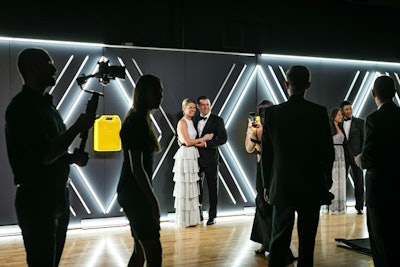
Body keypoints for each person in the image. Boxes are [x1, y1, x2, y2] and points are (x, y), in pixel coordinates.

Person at [4, 48, 95, 267]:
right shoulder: (21, 109)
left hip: (56, 197)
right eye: (48, 64)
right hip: (37, 200)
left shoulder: (46, 106)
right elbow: (45, 154)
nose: (54, 68)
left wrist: (71, 158)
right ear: (32, 69)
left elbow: (49, 153)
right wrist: (77, 128)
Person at [261, 65, 335, 267]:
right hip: (311, 185)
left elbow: (267, 154)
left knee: (278, 240)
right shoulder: (318, 113)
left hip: (283, 185)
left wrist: (267, 184)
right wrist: (326, 179)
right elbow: (328, 152)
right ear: (308, 85)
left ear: (286, 84)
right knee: (307, 242)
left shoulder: (273, 113)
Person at [117, 74, 164, 267]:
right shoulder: (136, 121)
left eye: (161, 92)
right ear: (144, 94)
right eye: (157, 92)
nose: (161, 96)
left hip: (132, 193)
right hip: (136, 194)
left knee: (140, 252)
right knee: (154, 253)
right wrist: (153, 202)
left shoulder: (138, 119)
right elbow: (137, 168)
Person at [354, 75, 399, 267]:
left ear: (373, 94)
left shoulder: (373, 119)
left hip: (378, 187)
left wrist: (358, 159)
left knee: (380, 238)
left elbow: (369, 157)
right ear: (395, 93)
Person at [245, 100, 296, 264]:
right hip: (262, 171)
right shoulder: (255, 128)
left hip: (275, 171)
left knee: (267, 208)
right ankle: (264, 244)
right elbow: (248, 148)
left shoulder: (278, 128)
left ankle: (277, 249)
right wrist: (254, 135)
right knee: (262, 207)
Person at [173, 98, 213, 228]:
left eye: (194, 108)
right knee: (185, 188)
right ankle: (185, 220)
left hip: (193, 155)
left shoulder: (192, 121)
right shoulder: (182, 122)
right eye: (190, 108)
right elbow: (189, 142)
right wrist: (205, 139)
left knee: (192, 188)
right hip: (185, 156)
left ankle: (191, 220)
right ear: (184, 109)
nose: (192, 110)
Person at [194, 96, 227, 225]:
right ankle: (199, 214)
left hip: (212, 159)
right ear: (198, 106)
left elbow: (223, 139)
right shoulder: (194, 120)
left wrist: (207, 144)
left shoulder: (218, 120)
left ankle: (212, 216)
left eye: (208, 104)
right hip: (195, 159)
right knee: (196, 189)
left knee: (213, 188)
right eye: (203, 105)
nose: (206, 107)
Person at [339, 100, 365, 214]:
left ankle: (359, 206)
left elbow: (364, 140)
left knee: (359, 182)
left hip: (356, 156)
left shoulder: (360, 122)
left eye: (350, 108)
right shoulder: (338, 123)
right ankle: (341, 206)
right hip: (343, 156)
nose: (349, 111)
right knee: (340, 182)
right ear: (342, 111)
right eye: (346, 109)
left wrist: (360, 155)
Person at [322, 107, 347, 215]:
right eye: (338, 115)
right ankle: (331, 206)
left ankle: (340, 206)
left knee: (340, 180)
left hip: (341, 158)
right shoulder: (328, 127)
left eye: (341, 115)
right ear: (333, 116)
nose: (341, 117)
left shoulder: (340, 127)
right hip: (333, 156)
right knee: (333, 180)